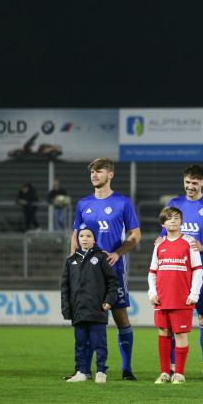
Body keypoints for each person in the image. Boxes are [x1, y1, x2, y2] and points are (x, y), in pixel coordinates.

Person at [72, 158, 142, 380]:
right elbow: (75, 235)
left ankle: (127, 368)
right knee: (89, 318)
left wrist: (118, 253)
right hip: (88, 271)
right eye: (92, 171)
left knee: (120, 316)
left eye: (99, 171)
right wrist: (74, 262)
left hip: (114, 268)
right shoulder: (83, 204)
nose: (94, 174)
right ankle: (85, 369)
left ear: (110, 175)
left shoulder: (122, 203)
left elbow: (135, 235)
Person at [157, 165, 203, 381]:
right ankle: (170, 368)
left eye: (194, 183)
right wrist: (160, 241)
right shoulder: (175, 204)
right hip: (174, 274)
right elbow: (164, 233)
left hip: (200, 271)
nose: (190, 187)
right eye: (187, 182)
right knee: (169, 321)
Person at [148, 206, 203, 385]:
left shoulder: (189, 243)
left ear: (181, 221)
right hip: (162, 298)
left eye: (176, 217)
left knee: (180, 334)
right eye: (169, 218)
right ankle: (164, 372)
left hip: (181, 298)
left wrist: (194, 293)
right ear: (163, 223)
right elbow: (152, 272)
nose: (173, 220)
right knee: (163, 333)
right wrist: (152, 292)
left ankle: (179, 373)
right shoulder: (159, 245)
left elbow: (198, 271)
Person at [61, 228, 118, 383]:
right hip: (78, 310)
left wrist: (109, 301)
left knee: (99, 342)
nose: (84, 238)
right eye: (81, 236)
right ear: (78, 239)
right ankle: (82, 371)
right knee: (80, 344)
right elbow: (65, 287)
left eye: (88, 236)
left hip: (97, 309)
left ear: (94, 240)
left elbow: (112, 282)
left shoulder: (101, 258)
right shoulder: (70, 261)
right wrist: (66, 308)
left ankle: (101, 371)